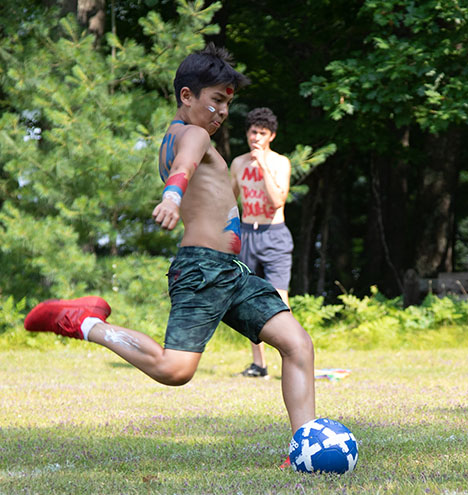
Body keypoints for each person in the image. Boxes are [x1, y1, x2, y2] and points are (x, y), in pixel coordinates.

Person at [23, 44, 315, 461]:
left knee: (297, 345)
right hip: (202, 269)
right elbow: (186, 165)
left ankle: (304, 448)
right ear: (186, 96)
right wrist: (172, 197)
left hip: (232, 271)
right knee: (175, 370)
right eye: (216, 100)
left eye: (228, 103)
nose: (222, 112)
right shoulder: (192, 135)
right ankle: (86, 323)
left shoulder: (182, 136)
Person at [231, 107, 293, 378]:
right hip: (247, 233)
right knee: (248, 299)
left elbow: (277, 200)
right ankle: (259, 364)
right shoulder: (238, 163)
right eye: (252, 132)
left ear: (272, 136)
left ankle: (292, 358)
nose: (256, 137)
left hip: (274, 233)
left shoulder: (280, 163)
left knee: (279, 299)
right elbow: (230, 201)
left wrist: (263, 164)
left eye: (262, 133)